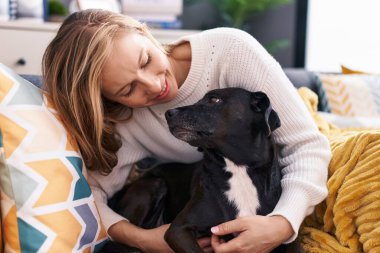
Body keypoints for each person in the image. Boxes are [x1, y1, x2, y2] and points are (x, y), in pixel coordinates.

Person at [42, 9, 331, 253]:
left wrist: (282, 224)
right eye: (128, 89)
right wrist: (144, 240)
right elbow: (90, 194)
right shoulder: (126, 120)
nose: (155, 86)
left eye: (145, 60)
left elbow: (307, 146)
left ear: (144, 32)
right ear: (110, 99)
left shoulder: (232, 51)